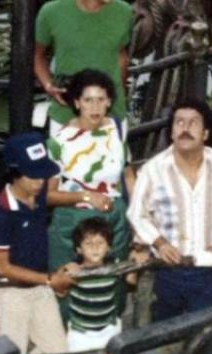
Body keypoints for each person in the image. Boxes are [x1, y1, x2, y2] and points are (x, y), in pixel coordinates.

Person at [127, 98, 212, 321]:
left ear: (206, 133)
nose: (185, 128)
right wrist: (159, 243)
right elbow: (136, 213)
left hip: (209, 267)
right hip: (168, 268)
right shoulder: (153, 170)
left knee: (206, 330)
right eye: (179, 123)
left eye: (193, 123)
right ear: (171, 132)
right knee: (165, 330)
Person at [0, 132, 75, 354]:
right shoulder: (2, 213)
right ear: (14, 174)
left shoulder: (38, 190)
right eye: (33, 176)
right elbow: (2, 268)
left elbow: (51, 197)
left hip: (41, 284)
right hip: (11, 292)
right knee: (12, 351)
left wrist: (85, 197)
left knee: (58, 351)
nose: (41, 182)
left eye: (43, 175)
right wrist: (50, 280)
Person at [46, 69, 135, 274]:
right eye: (88, 100)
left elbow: (129, 175)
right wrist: (86, 196)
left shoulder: (117, 130)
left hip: (113, 220)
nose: (95, 107)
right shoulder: (59, 142)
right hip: (73, 223)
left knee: (113, 283)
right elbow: (48, 196)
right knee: (71, 288)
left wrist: (138, 220)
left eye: (100, 99)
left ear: (109, 102)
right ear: (77, 103)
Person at [34, 0, 133, 135]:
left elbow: (120, 53)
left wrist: (117, 92)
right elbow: (37, 56)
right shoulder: (51, 12)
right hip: (66, 114)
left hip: (112, 114)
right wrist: (48, 85)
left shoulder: (124, 11)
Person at [63, 216, 149, 352]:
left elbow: (131, 280)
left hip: (108, 329)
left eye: (100, 243)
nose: (95, 248)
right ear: (79, 249)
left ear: (108, 247)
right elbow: (59, 288)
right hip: (81, 333)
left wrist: (136, 262)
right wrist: (65, 269)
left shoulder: (114, 266)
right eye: (88, 244)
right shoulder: (76, 270)